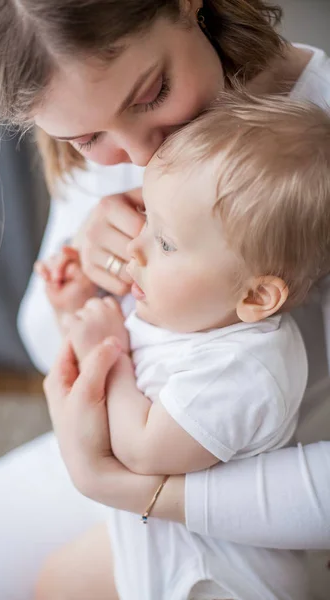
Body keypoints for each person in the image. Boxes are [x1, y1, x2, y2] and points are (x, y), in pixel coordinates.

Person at [0, 1, 329, 599]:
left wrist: (142, 491)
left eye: (152, 93)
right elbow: (48, 345)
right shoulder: (100, 126)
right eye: (87, 137)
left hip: (267, 508)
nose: (140, 157)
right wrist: (90, 271)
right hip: (120, 466)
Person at [36, 94, 330, 599]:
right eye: (148, 216)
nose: (136, 246)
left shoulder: (244, 370)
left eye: (166, 242)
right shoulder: (185, 307)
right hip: (155, 548)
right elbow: (109, 369)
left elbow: (142, 448)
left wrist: (106, 345)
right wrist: (75, 311)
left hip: (213, 580)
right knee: (53, 584)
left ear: (256, 295)